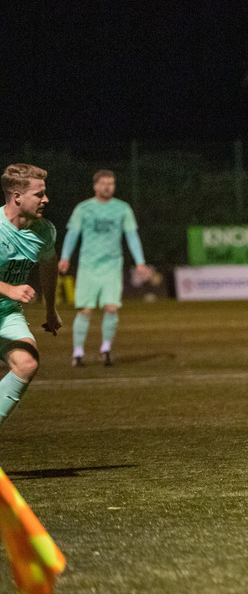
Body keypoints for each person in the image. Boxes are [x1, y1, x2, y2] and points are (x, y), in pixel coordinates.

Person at [58, 170, 150, 367]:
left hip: (112, 265)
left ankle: (106, 349)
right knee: (85, 309)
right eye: (104, 183)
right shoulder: (83, 208)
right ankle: (78, 353)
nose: (108, 187)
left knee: (111, 308)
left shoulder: (122, 209)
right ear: (95, 186)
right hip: (88, 266)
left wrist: (140, 262)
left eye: (111, 183)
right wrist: (65, 257)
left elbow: (132, 236)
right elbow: (73, 233)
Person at [0, 164, 61, 431]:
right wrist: (8, 289)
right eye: (39, 194)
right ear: (17, 196)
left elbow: (48, 265)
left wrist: (50, 309)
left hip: (6, 314)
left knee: (27, 363)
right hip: (7, 299)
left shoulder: (44, 231)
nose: (45, 199)